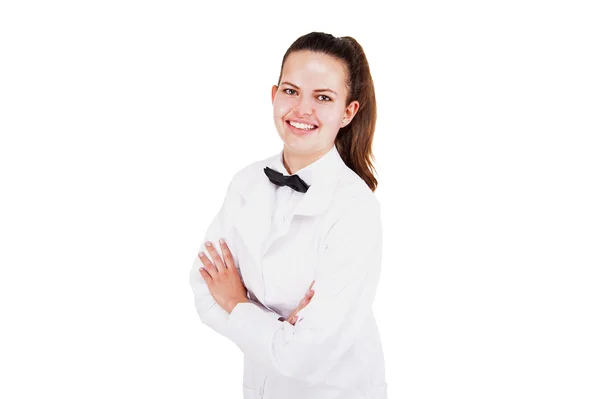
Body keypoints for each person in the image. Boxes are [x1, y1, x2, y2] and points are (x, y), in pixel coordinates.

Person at [189, 31, 387, 399]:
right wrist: (282, 330)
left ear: (348, 112)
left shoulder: (355, 209)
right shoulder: (246, 182)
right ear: (273, 94)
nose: (302, 110)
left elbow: (306, 358)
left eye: (323, 97)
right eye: (291, 91)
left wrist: (235, 301)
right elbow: (202, 290)